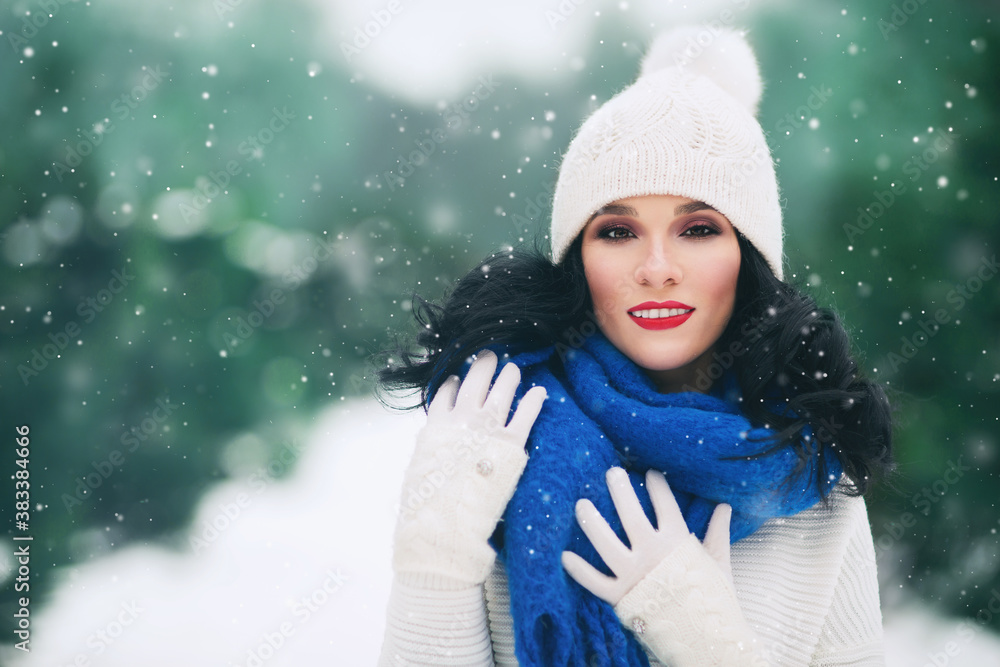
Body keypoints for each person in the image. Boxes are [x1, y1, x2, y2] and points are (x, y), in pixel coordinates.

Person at [374, 26, 894, 666]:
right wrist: (435, 560)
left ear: (750, 258)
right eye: (617, 231)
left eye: (698, 228)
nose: (656, 267)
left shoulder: (808, 481)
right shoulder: (496, 436)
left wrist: (707, 643)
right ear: (577, 260)